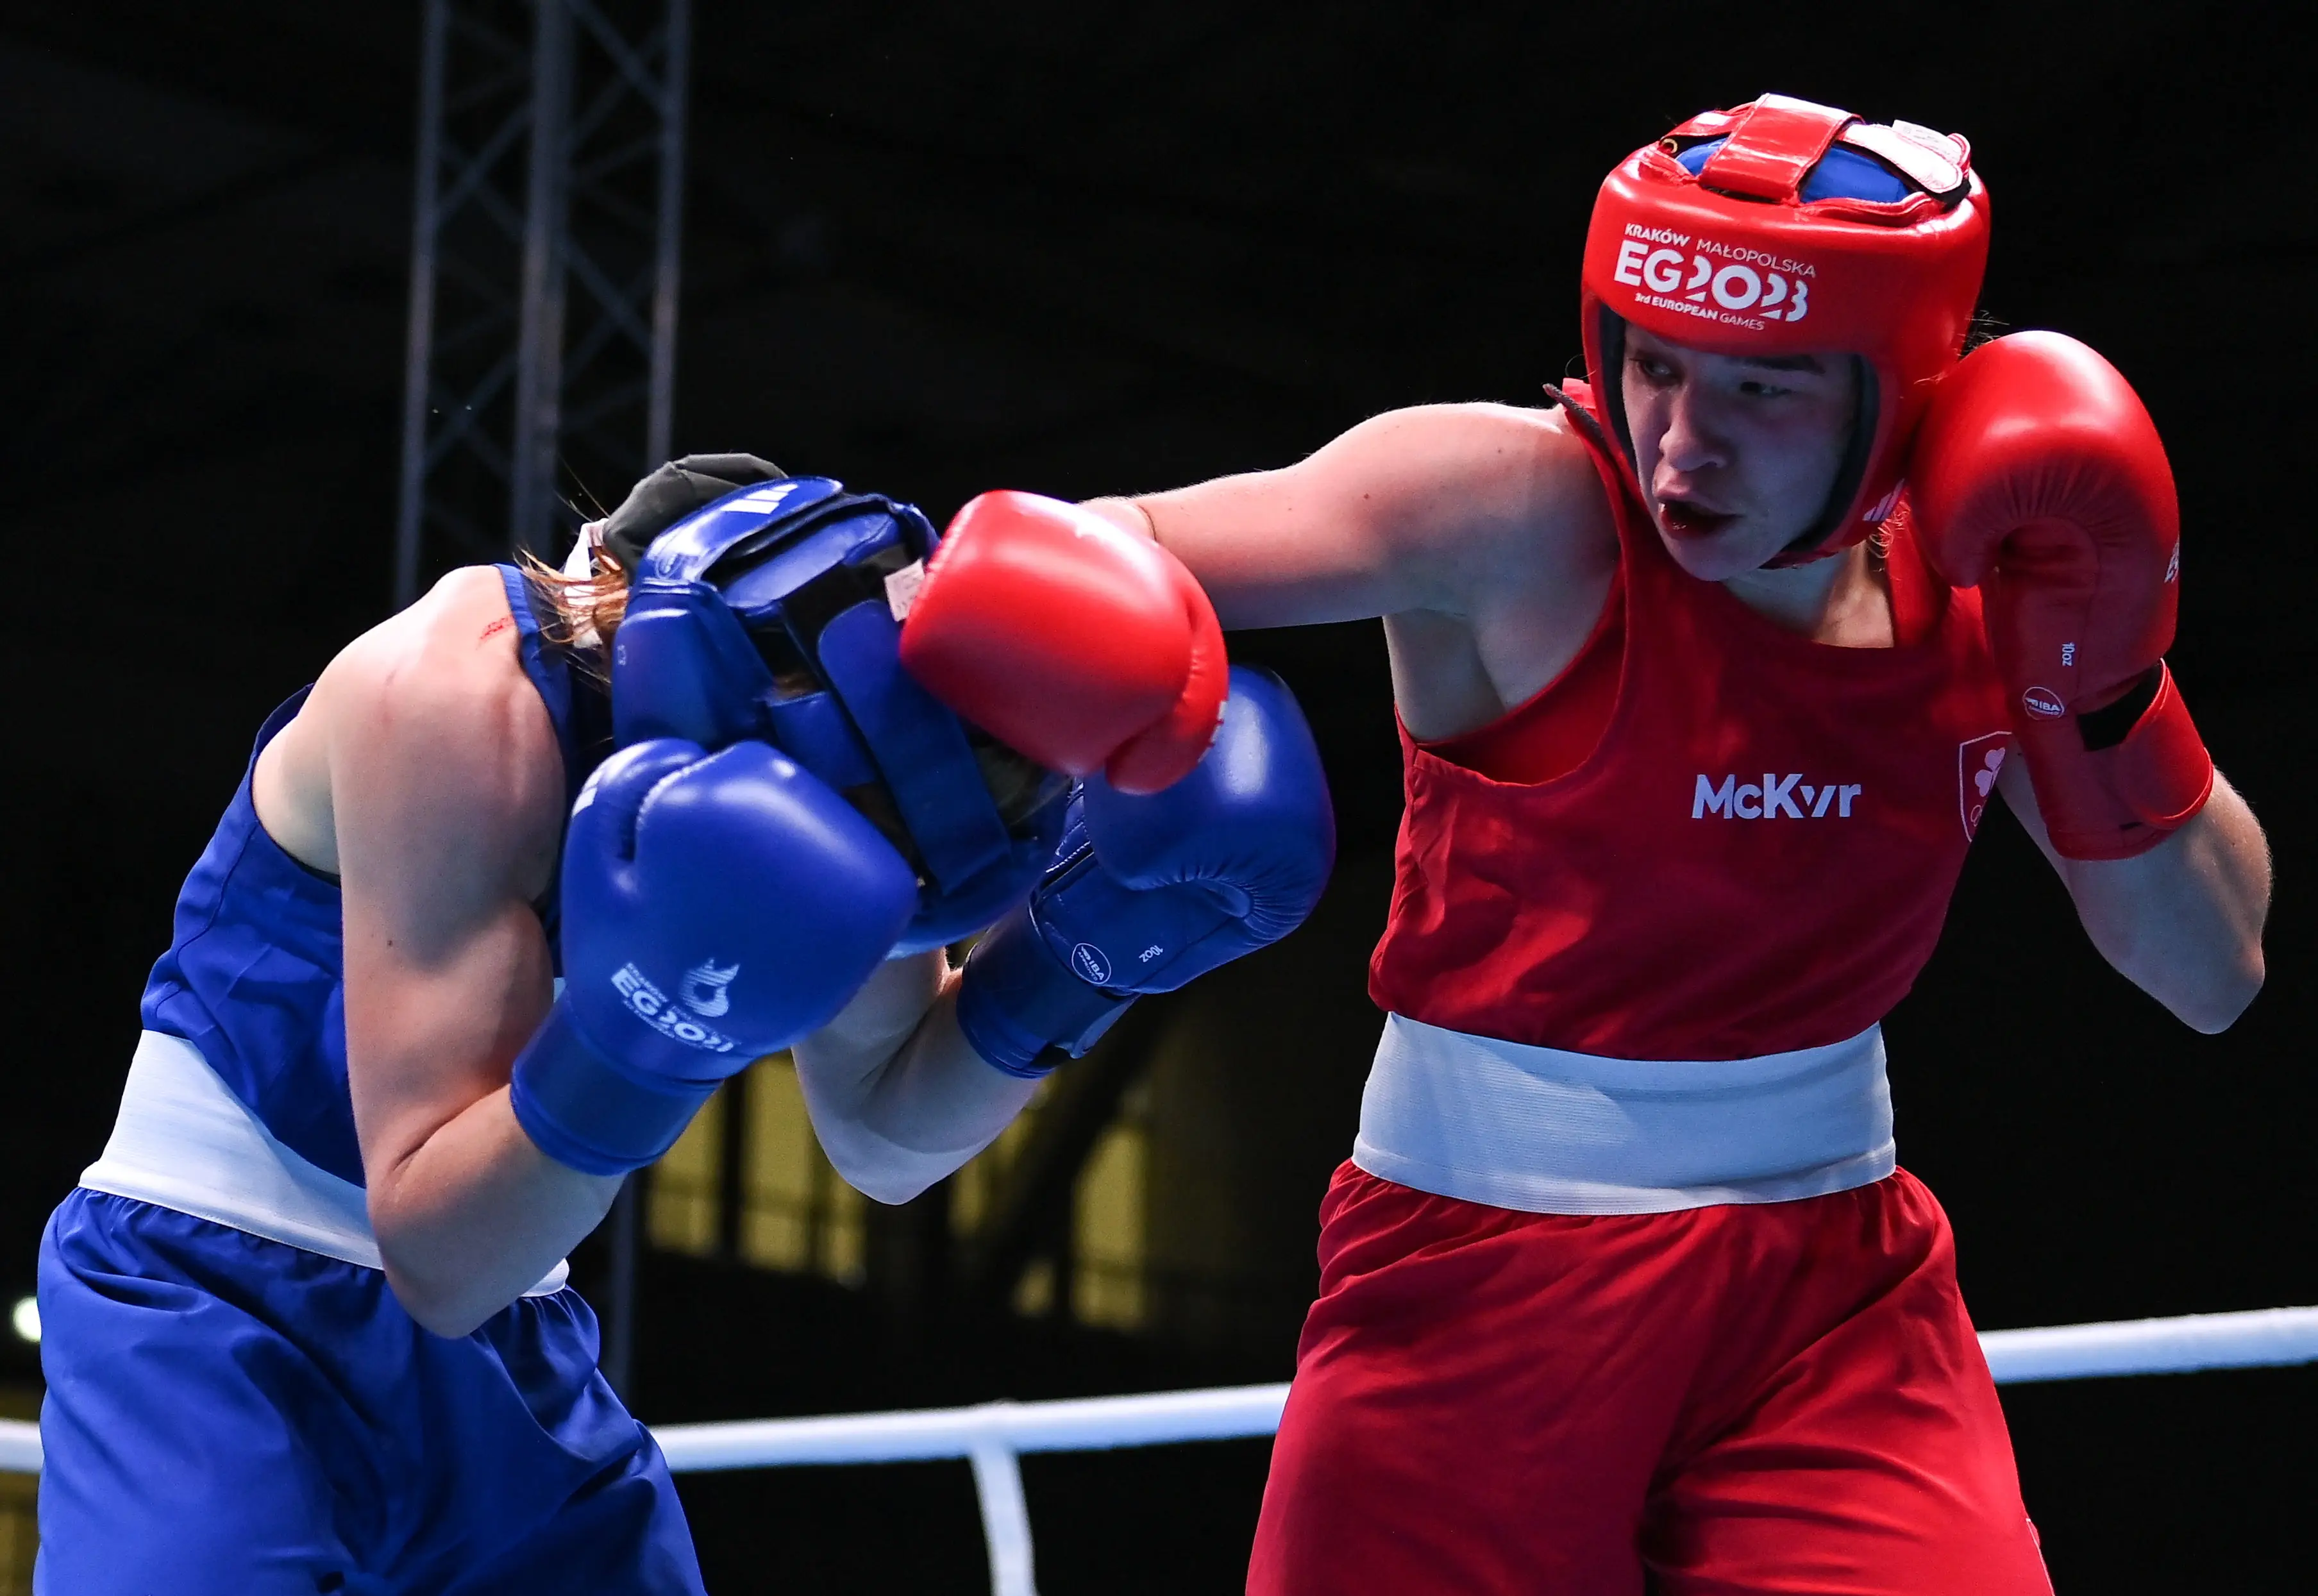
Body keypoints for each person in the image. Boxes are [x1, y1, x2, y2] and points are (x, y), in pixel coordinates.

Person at [957, 94, 2272, 1592]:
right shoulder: (1514, 513)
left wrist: (2098, 680)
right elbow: (1064, 551)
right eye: (1656, 365)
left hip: (1831, 1293)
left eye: (1764, 391)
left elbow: (2211, 971)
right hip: (1471, 1280)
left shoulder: (1992, 583)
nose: (1682, 444)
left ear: (1898, 394)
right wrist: (811, 591)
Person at [33, 456, 1334, 1593]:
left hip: (508, 1342)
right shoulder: (448, 701)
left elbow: (886, 1134)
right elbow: (434, 1248)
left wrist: (1086, 958)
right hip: (214, 1301)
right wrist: (657, 1038)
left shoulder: (862, 742)